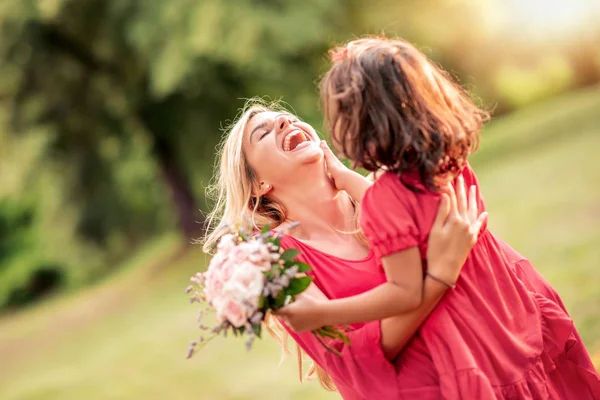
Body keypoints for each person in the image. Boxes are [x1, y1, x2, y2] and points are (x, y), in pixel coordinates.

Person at [279, 36, 600, 398]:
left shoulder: (388, 198)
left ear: (358, 122)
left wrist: (323, 313)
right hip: (509, 318)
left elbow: (405, 292)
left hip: (470, 350)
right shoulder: (448, 166)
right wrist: (350, 180)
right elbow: (410, 220)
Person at [203, 100, 487, 399]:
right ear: (259, 184)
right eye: (263, 133)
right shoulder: (274, 259)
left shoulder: (382, 187)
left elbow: (463, 237)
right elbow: (350, 358)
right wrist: (440, 277)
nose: (286, 123)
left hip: (482, 359)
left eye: (288, 117)